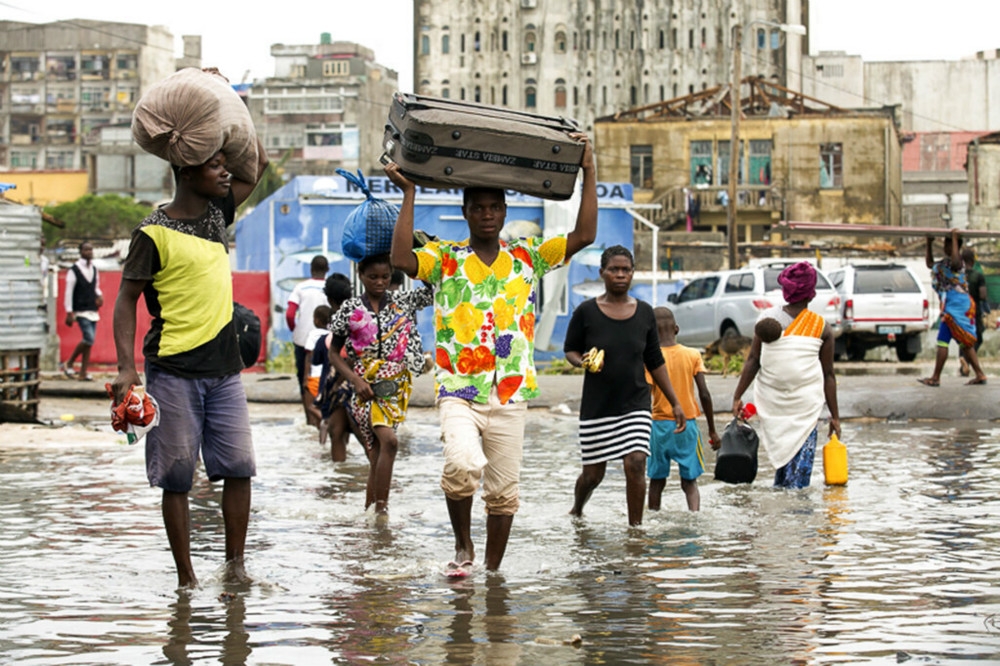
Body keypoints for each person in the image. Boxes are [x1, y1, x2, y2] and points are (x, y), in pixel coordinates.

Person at [386, 133, 598, 574]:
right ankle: (463, 545)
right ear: (465, 212)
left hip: (511, 390)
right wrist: (409, 193)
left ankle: (491, 571)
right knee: (462, 464)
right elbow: (401, 259)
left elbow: (584, 235)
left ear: (504, 212)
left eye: (494, 207)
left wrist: (588, 170)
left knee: (504, 492)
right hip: (459, 387)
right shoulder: (445, 258)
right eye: (478, 208)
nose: (486, 214)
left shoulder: (528, 257)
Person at [112, 142, 269, 589]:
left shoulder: (218, 215)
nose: (225, 174)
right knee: (177, 476)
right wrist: (127, 367)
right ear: (185, 171)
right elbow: (125, 301)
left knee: (239, 467)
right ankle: (187, 580)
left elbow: (257, 165)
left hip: (224, 371)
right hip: (173, 371)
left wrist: (226, 101)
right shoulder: (152, 233)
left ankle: (236, 568)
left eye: (224, 166)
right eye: (215, 166)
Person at [564, 246, 687, 526]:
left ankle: (636, 531)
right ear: (602, 273)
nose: (620, 275)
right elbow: (570, 349)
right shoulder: (586, 312)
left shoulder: (644, 313)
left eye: (626, 270)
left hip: (635, 402)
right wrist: (581, 360)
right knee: (593, 475)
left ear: (632, 273)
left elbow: (654, 360)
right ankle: (577, 509)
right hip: (598, 406)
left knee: (635, 462)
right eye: (614, 269)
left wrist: (675, 401)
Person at [328, 253, 433, 519]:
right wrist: (355, 380)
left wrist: (417, 254)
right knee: (390, 442)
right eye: (373, 277)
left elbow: (435, 290)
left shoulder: (402, 302)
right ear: (360, 275)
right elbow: (333, 351)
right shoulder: (350, 310)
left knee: (377, 455)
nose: (380, 282)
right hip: (365, 387)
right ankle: (382, 511)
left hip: (396, 388)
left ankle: (370, 515)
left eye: (385, 276)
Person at [731, 261, 841, 489]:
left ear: (785, 290)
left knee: (783, 475)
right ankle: (796, 520)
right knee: (798, 484)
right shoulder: (822, 327)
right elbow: (828, 375)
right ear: (811, 294)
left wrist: (737, 395)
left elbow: (753, 361)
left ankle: (783, 518)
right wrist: (835, 417)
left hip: (774, 407)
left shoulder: (767, 320)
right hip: (806, 410)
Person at [646, 306, 719, 512]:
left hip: (659, 426)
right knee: (690, 483)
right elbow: (704, 394)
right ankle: (694, 516)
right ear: (676, 329)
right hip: (687, 425)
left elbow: (644, 396)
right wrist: (712, 430)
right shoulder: (692, 354)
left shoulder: (650, 359)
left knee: (657, 481)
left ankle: (653, 519)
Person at [919, 230, 987, 387]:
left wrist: (955, 239)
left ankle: (935, 377)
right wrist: (929, 243)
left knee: (943, 341)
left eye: (949, 245)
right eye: (945, 244)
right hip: (954, 306)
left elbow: (956, 262)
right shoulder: (944, 264)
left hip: (957, 307)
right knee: (966, 344)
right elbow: (930, 264)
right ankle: (980, 374)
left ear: (957, 246)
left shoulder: (959, 263)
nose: (946, 248)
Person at [286, 255, 331, 427]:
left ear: (311, 269)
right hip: (327, 340)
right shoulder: (329, 288)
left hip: (303, 340)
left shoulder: (300, 287)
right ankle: (326, 414)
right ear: (327, 270)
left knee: (304, 380)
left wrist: (295, 329)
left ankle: (310, 418)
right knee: (326, 375)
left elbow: (290, 313)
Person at [315, 273, 354, 461]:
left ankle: (340, 479)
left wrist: (338, 382)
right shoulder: (360, 314)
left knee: (337, 433)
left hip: (341, 381)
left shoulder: (339, 320)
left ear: (329, 299)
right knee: (360, 435)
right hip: (356, 380)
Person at [63, 241, 103, 381]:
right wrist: (69, 311)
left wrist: (99, 295)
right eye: (86, 249)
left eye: (91, 249)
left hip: (92, 309)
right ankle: (69, 362)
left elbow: (96, 287)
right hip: (80, 310)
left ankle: (83, 372)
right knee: (89, 338)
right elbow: (69, 292)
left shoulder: (94, 269)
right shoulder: (74, 270)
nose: (89, 252)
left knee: (89, 343)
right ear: (80, 251)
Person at [960, 246, 989, 376]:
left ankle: (963, 364)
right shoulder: (978, 276)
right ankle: (967, 359)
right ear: (973, 260)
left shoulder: (959, 276)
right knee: (978, 338)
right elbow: (982, 295)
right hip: (974, 311)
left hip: (960, 311)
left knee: (962, 337)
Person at [302, 305, 332, 428]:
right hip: (328, 376)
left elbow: (309, 357)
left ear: (317, 320)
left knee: (311, 407)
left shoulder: (313, 335)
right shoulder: (331, 334)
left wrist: (305, 378)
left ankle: (325, 424)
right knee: (325, 406)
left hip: (314, 376)